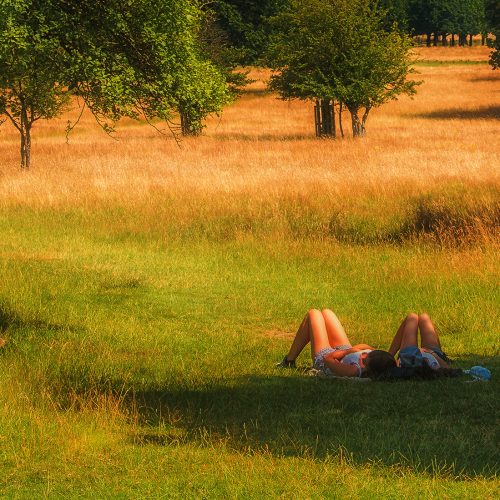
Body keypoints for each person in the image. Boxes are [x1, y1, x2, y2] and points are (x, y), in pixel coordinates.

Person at [276, 308, 396, 378]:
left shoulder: (354, 370)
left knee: (313, 314)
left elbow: (329, 359)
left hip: (325, 358)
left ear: (369, 370)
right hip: (345, 351)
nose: (363, 356)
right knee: (327, 312)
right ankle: (289, 360)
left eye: (364, 361)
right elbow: (364, 347)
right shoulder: (376, 358)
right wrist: (357, 350)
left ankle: (289, 361)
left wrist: (349, 351)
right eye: (368, 353)